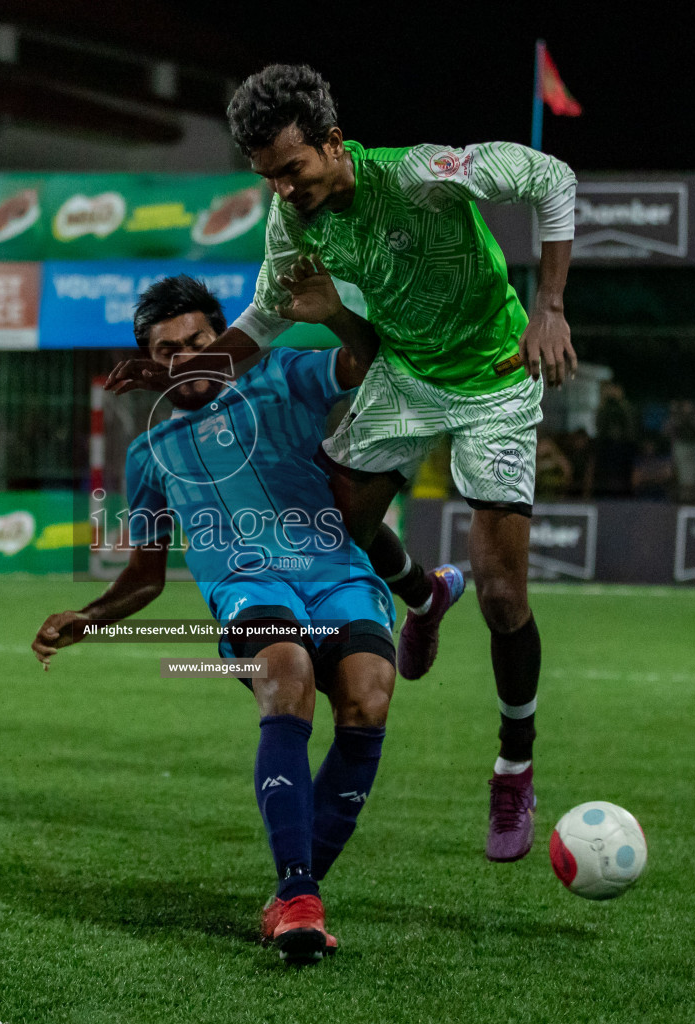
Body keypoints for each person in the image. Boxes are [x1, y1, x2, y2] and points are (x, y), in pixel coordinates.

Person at [103, 65, 575, 862]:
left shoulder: (424, 174)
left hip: (494, 381)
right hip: (403, 378)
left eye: (292, 170)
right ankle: (422, 598)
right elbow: (258, 321)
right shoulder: (292, 220)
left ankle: (513, 766)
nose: (283, 190)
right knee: (340, 517)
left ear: (333, 143)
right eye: (267, 178)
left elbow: (550, 177)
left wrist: (551, 303)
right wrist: (173, 377)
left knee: (500, 593)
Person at [35, 274, 395, 962]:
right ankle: (298, 898)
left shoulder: (286, 376)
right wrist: (90, 615)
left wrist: (340, 313)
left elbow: (367, 363)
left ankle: (296, 891)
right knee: (287, 675)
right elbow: (145, 574)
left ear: (224, 339)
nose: (186, 357)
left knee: (369, 698)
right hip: (247, 589)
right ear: (153, 362)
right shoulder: (150, 454)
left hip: (338, 575)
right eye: (168, 350)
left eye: (199, 340)